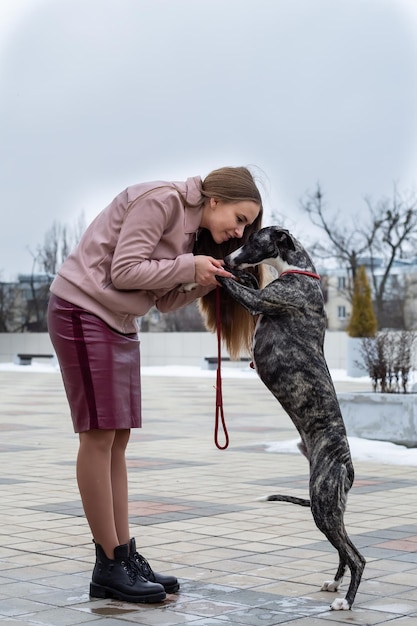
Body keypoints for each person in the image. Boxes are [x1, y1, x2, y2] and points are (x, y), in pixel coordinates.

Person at [47, 166, 263, 604]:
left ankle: (123, 556)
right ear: (216, 199)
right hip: (82, 310)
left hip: (117, 321)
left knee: (117, 439)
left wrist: (201, 281)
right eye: (239, 219)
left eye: (245, 226)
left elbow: (162, 299)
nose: (238, 232)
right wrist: (188, 265)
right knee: (97, 437)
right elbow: (125, 271)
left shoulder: (189, 231)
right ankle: (108, 564)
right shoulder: (162, 200)